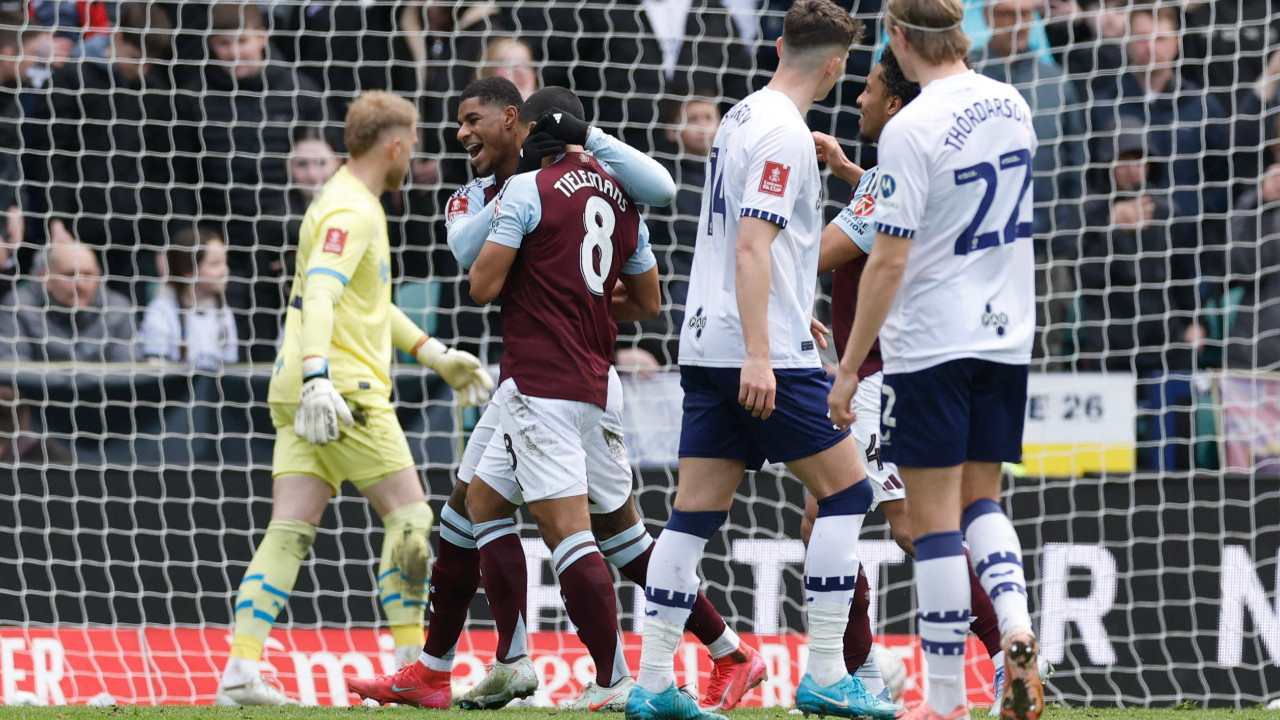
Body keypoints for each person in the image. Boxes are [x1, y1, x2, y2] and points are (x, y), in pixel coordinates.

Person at [348, 79, 766, 713]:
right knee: (478, 505)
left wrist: (550, 282)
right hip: (588, 379)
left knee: (570, 532)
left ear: (516, 120)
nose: (462, 134)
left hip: (540, 381)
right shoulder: (609, 189)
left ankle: (610, 677)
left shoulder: (525, 190)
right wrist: (571, 289)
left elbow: (478, 280)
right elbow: (647, 295)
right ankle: (451, 668)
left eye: (472, 120)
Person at [626, 3, 896, 720]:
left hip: (710, 341)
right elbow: (751, 244)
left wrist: (786, 307)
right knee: (848, 495)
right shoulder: (782, 135)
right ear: (837, 66)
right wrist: (761, 348)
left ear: (779, 45)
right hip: (760, 352)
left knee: (692, 517)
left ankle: (652, 686)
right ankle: (829, 672)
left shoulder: (742, 115)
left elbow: (756, 248)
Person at [215, 90, 493, 707]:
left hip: (299, 389)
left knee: (287, 531)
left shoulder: (340, 197)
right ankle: (408, 661)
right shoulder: (354, 210)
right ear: (396, 144)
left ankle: (241, 669)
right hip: (343, 392)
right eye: (415, 140)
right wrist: (320, 376)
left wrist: (433, 353)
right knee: (414, 520)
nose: (416, 151)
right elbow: (319, 293)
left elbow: (363, 300)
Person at [812, 48, 1052, 713]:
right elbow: (885, 211)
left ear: (896, 104)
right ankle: (862, 668)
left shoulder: (894, 164)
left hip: (882, 374)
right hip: (975, 343)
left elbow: (830, 252)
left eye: (867, 90)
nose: (856, 100)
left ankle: (973, 661)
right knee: (832, 514)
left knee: (915, 528)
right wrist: (848, 173)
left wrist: (759, 220)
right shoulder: (907, 164)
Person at [172, 0, 324, 361]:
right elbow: (179, 176)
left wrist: (300, 236)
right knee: (239, 353)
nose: (233, 53)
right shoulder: (192, 97)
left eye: (241, 42)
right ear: (211, 45)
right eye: (224, 44)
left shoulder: (301, 91)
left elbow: (324, 171)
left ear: (261, 37)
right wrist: (187, 241)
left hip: (289, 247)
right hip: (222, 248)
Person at [26, 2, 174, 296]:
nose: (141, 69)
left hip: (129, 241)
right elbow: (49, 157)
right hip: (74, 233)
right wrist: (55, 221)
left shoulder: (154, 90)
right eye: (135, 58)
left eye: (149, 62)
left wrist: (159, 238)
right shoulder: (71, 80)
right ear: (117, 37)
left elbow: (159, 168)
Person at [0, 238, 139, 363]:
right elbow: (13, 368)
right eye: (69, 275)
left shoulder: (119, 310)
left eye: (87, 275)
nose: (80, 284)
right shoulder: (18, 307)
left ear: (98, 276)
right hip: (36, 391)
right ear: (45, 277)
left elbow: (128, 370)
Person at [140, 225, 238, 370]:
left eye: (225, 262)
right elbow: (155, 374)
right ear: (188, 271)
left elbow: (230, 367)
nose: (225, 271)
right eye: (215, 264)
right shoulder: (162, 311)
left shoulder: (224, 312)